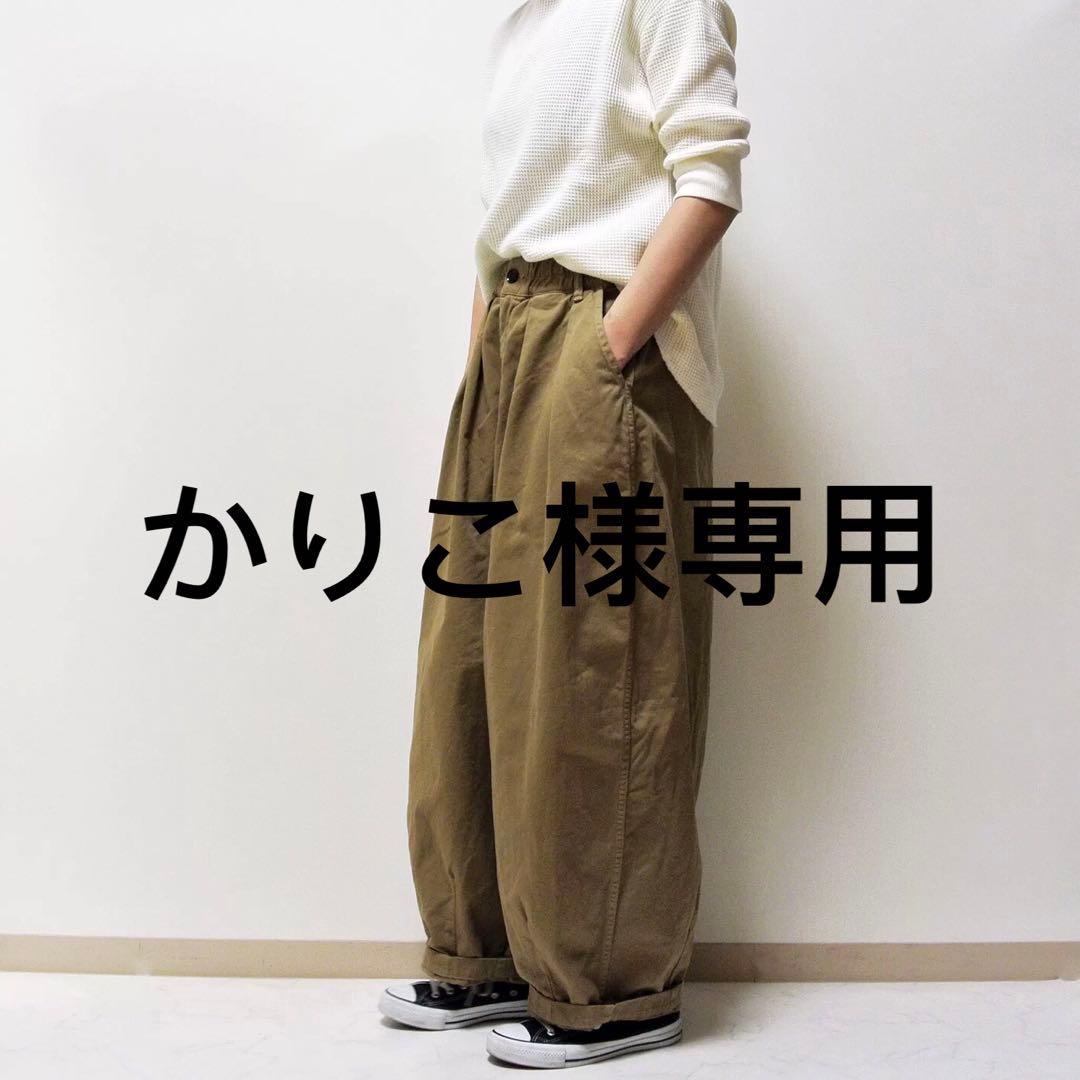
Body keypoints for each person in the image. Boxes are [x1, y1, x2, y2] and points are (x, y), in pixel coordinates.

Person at [379, 0, 750, 1067]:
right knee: (474, 653)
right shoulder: (523, 23)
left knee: (595, 664)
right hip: (510, 340)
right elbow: (504, 223)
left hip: (601, 342)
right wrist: (485, 356)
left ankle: (614, 989)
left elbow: (711, 176)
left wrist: (610, 342)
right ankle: (487, 953)